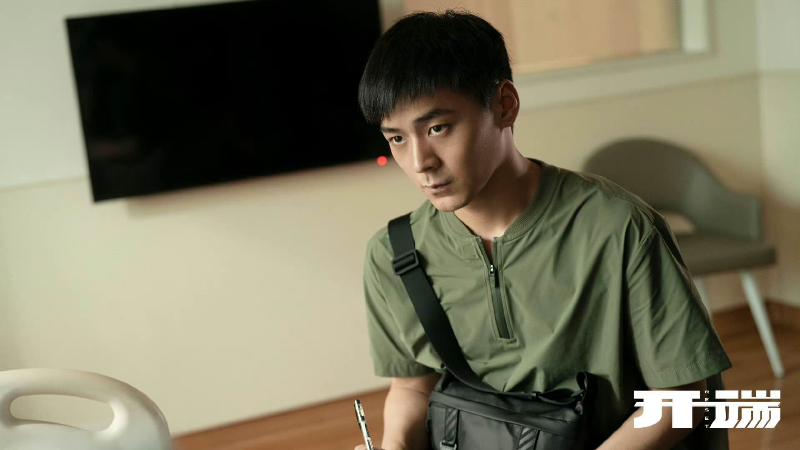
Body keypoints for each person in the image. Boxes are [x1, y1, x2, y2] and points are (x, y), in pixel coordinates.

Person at [354, 9, 732, 450]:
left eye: (438, 128)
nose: (420, 162)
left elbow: (681, 400)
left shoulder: (618, 228)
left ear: (505, 104)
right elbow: (411, 385)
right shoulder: (393, 254)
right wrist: (396, 445)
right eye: (397, 138)